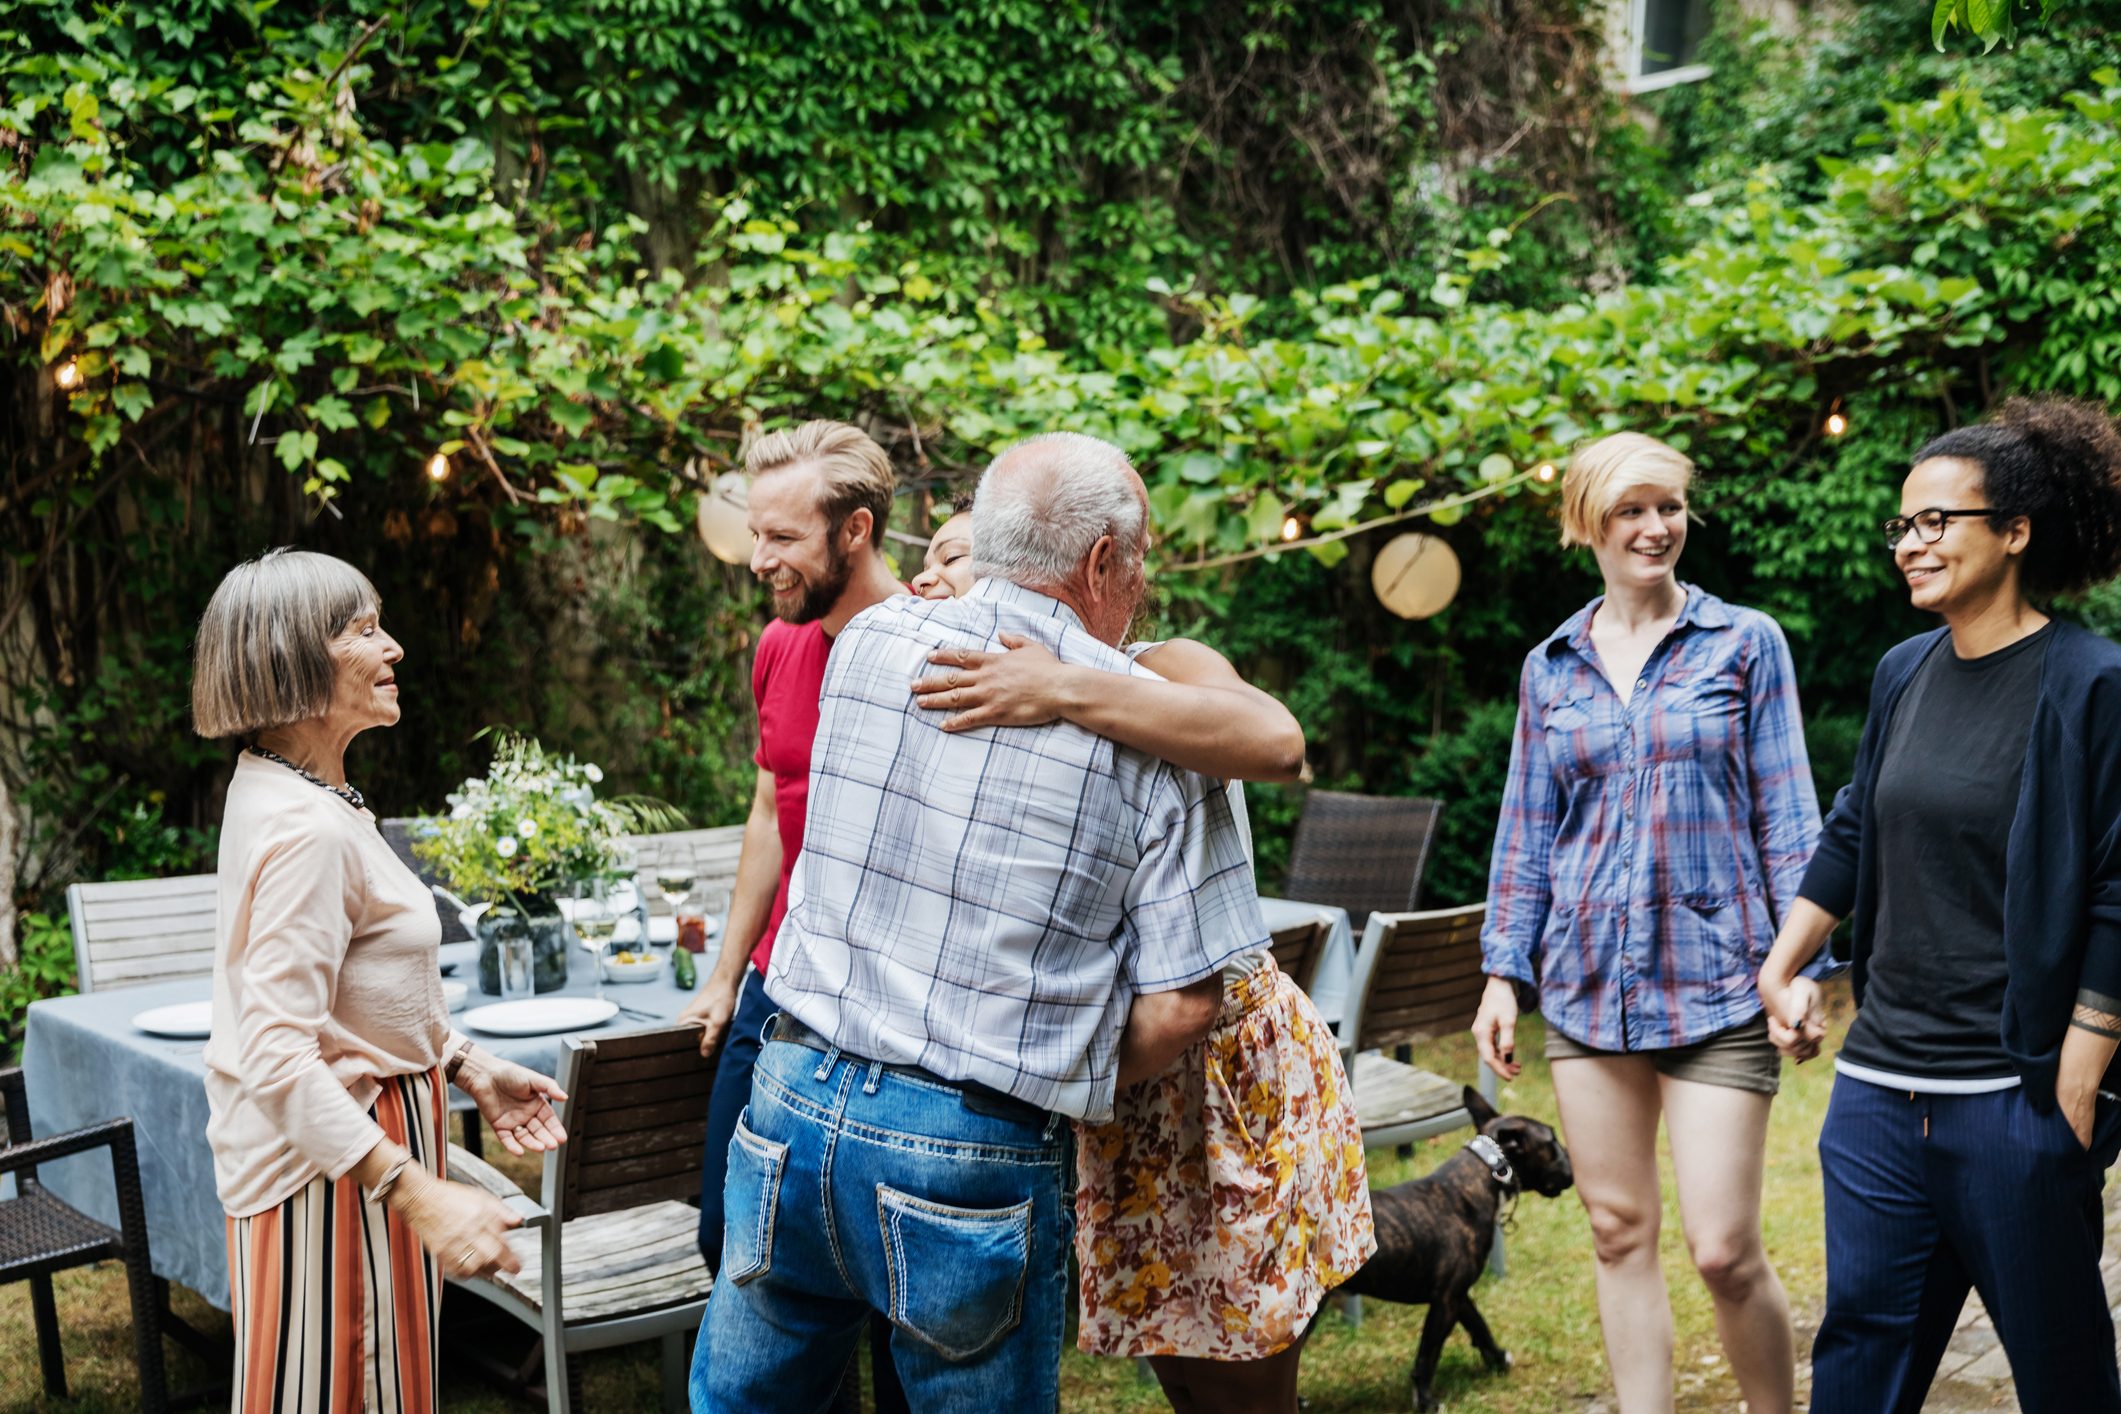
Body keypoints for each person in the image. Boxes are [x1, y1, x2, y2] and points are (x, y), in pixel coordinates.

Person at [690, 432, 1270, 1411]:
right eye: (1140, 565)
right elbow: (1180, 1008)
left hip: (788, 1095)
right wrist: (1045, 1066)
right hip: (970, 1141)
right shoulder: (1162, 730)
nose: (1143, 588)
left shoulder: (865, 644)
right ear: (1099, 562)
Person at [904, 499, 1367, 1413]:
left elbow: (1279, 744)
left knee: (1246, 1373)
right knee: (1180, 1372)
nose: (937, 577)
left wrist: (1063, 686)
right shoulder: (965, 705)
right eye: (934, 564)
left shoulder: (1160, 665)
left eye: (961, 556)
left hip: (1226, 1074)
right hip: (1117, 1088)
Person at [1757, 397, 2121, 1413]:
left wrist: (2081, 1073)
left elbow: (2118, 885)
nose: (1910, 545)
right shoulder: (1902, 671)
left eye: (1936, 523)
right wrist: (1784, 963)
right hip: (1877, 1090)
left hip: (2013, 1099)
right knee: (1859, 1365)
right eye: (1903, 526)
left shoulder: (2094, 683)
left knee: (2061, 1372)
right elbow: (1856, 825)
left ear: (2015, 531)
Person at [1471, 433, 1820, 1414]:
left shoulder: (1744, 643)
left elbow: (1788, 816)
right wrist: (1505, 972)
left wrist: (1800, 966)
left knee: (1723, 1248)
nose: (1655, 526)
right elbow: (1526, 830)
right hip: (1587, 988)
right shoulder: (1552, 666)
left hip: (1718, 981)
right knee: (1617, 1230)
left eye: (1668, 506)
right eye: (1630, 509)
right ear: (1587, 522)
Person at [191, 548, 569, 1413]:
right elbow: (277, 1055)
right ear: (294, 658)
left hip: (362, 1149)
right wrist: (415, 1190)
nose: (394, 647)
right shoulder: (308, 830)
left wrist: (466, 1062)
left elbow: (359, 995)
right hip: (339, 1171)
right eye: (365, 631)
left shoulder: (303, 792)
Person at [672, 419, 908, 1411]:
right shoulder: (777, 643)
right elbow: (773, 803)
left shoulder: (933, 654)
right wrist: (726, 972)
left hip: (890, 1004)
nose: (757, 560)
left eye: (782, 539)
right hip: (778, 982)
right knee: (733, 1238)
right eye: (754, 535)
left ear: (855, 529)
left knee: (898, 1285)